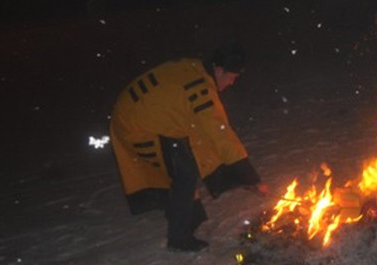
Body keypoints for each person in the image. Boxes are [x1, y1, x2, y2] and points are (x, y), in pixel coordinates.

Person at [109, 43, 264, 252]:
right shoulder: (201, 89)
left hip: (144, 117)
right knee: (185, 173)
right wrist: (249, 176)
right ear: (218, 70)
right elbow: (220, 133)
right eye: (231, 77)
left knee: (186, 161)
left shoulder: (195, 69)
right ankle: (179, 238)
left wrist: (241, 177)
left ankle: (183, 217)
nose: (232, 83)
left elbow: (203, 135)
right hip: (137, 125)